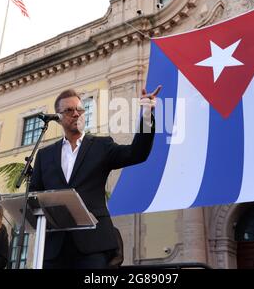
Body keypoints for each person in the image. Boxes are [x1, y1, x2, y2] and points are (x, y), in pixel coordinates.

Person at [30, 86, 161, 269]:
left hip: (93, 245)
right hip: (55, 247)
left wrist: (147, 114)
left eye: (80, 109)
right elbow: (34, 195)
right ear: (58, 117)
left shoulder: (101, 146)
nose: (76, 114)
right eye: (69, 110)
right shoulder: (45, 155)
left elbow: (137, 153)